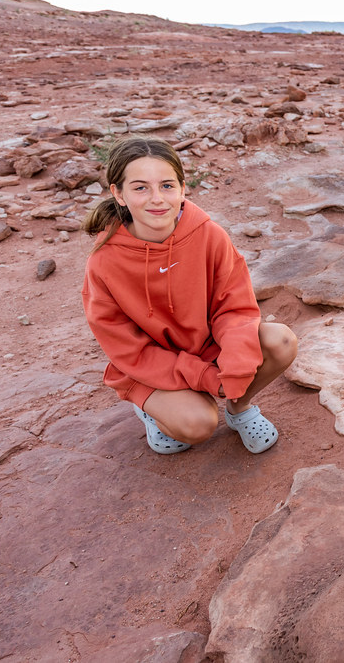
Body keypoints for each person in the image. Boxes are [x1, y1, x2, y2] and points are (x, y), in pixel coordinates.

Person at [82, 136, 298, 455]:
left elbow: (234, 306)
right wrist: (207, 378)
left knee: (280, 341)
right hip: (150, 365)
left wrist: (236, 368)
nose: (157, 199)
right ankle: (152, 407)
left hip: (205, 345)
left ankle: (240, 410)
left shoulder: (209, 235)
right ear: (119, 194)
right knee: (195, 428)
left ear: (183, 188)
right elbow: (127, 349)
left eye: (167, 185)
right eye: (140, 187)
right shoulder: (103, 263)